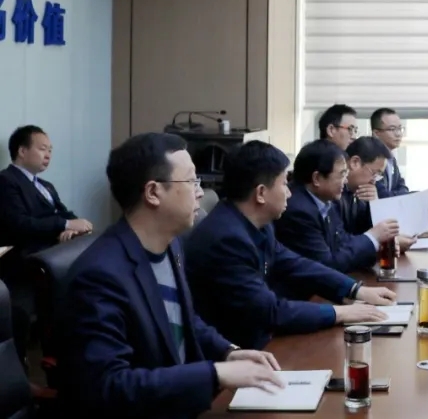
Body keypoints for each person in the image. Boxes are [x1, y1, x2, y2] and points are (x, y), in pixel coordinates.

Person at [56, 132, 284, 419]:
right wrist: (214, 373)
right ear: (153, 192)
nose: (200, 192)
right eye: (191, 181)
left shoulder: (170, 245)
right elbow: (110, 385)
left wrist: (228, 352)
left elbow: (184, 320)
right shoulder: (99, 276)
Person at [184, 140, 394, 350]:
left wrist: (355, 290)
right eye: (284, 184)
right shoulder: (227, 239)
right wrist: (340, 313)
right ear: (261, 193)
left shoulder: (257, 223)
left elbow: (295, 264)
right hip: (238, 350)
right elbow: (270, 311)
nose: (290, 193)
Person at [275, 139, 399, 273]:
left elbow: (343, 242)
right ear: (317, 178)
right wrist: (372, 237)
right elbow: (328, 265)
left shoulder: (325, 201)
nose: (345, 181)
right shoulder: (299, 211)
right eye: (342, 174)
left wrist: (376, 246)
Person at [0, 125, 93, 255]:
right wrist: (65, 225)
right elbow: (19, 224)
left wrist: (74, 229)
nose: (48, 155)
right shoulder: (6, 179)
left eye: (50, 151)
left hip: (54, 250)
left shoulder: (46, 185)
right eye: (43, 149)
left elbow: (63, 213)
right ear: (22, 151)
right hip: (28, 255)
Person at [369, 108, 428, 203]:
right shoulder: (370, 159)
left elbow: (402, 187)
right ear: (376, 134)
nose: (398, 134)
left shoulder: (391, 158)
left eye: (400, 128)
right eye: (392, 129)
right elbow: (382, 196)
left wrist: (405, 194)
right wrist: (417, 196)